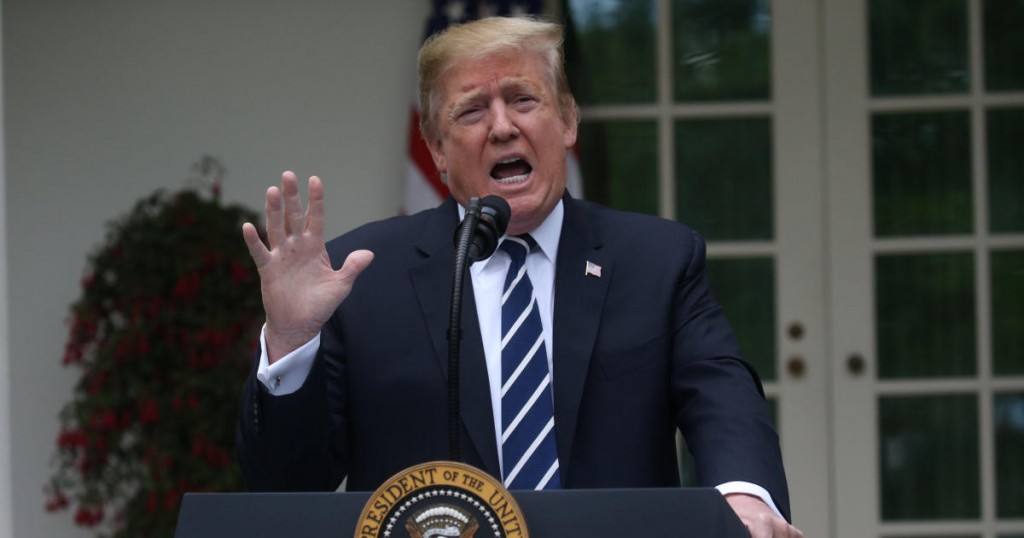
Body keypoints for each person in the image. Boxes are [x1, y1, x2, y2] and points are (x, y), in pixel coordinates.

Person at [236, 16, 803, 538]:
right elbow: (287, 484)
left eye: (523, 99)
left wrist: (745, 497)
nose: (503, 126)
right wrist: (290, 343)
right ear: (435, 148)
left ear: (568, 120)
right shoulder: (361, 276)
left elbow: (721, 396)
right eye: (472, 111)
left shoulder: (655, 259)